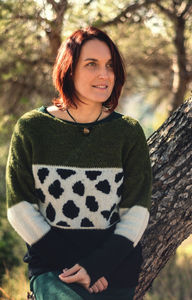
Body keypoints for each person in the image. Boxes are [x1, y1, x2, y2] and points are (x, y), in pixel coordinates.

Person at [6, 26, 152, 300]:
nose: (104, 74)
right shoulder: (32, 128)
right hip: (54, 270)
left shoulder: (128, 132)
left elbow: (136, 212)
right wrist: (78, 268)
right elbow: (20, 208)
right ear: (69, 69)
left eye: (109, 65)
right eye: (91, 64)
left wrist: (97, 267)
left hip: (114, 273)